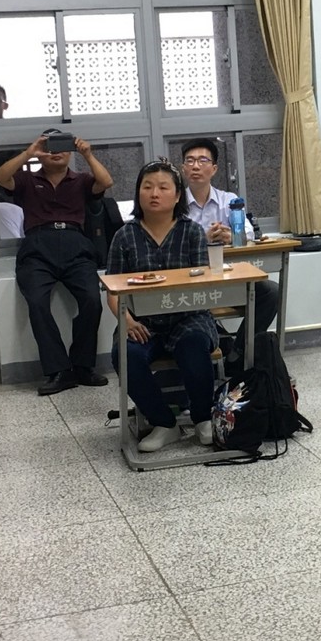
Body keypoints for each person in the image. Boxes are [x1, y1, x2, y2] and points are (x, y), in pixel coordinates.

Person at [105, 161, 220, 452]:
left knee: (194, 345)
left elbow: (202, 283)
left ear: (177, 195)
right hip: (142, 322)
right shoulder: (124, 236)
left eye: (163, 187)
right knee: (125, 355)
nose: (154, 193)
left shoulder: (192, 232)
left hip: (188, 316)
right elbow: (112, 290)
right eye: (147, 187)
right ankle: (165, 424)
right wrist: (127, 321)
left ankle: (203, 418)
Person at [0, 130, 114, 396]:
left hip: (76, 244)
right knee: (37, 302)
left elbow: (106, 181)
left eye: (61, 146)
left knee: (92, 300)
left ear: (70, 151)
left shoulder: (81, 180)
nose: (55, 152)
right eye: (49, 147)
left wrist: (87, 154)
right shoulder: (27, 180)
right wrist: (29, 153)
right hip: (37, 247)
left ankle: (83, 365)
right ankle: (59, 370)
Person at [179, 138, 278, 346]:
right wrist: (203, 240)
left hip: (227, 276)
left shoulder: (228, 200)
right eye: (190, 160)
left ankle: (239, 351)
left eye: (202, 160)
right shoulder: (175, 205)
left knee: (271, 292)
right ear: (183, 168)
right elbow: (171, 244)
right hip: (189, 279)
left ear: (214, 169)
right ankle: (218, 344)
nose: (195, 166)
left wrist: (232, 237)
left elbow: (249, 233)